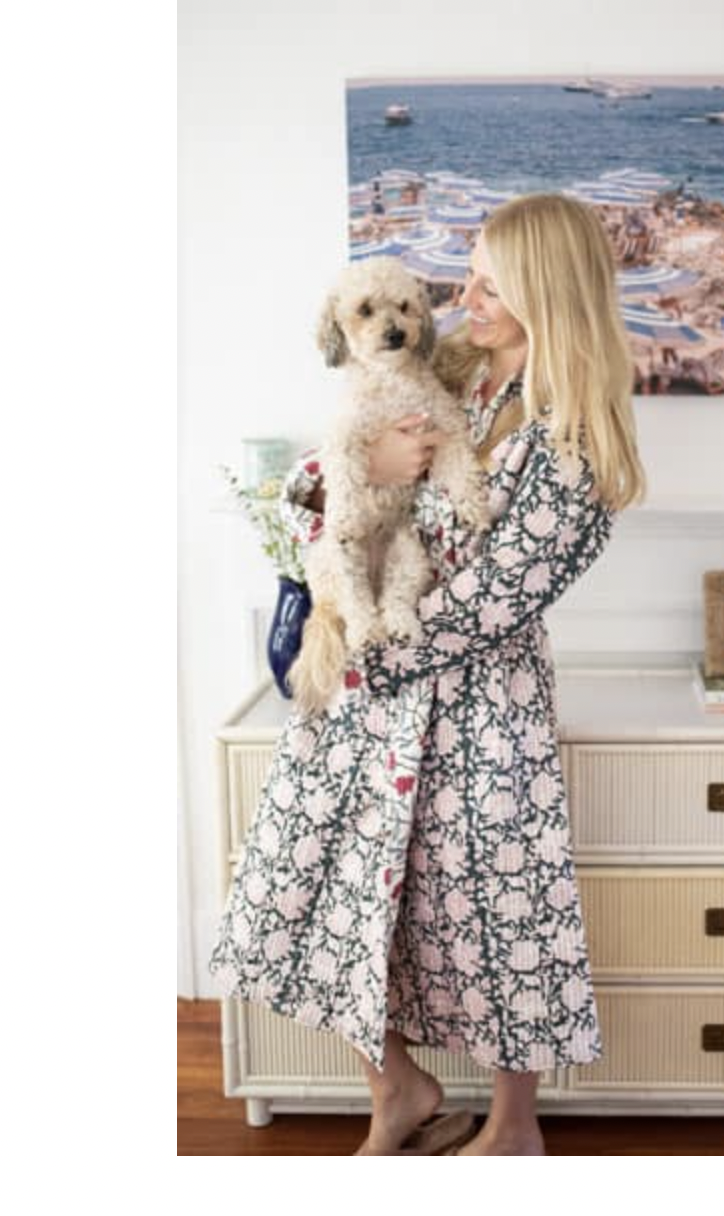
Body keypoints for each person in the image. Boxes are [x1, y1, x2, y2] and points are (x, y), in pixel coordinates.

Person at [208, 193, 646, 1156]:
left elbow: (495, 600)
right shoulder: (448, 371)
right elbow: (306, 494)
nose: (463, 298)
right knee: (330, 887)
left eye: (490, 284)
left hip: (478, 712)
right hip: (369, 692)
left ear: (547, 294)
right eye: (469, 277)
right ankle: (397, 1091)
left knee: (493, 912)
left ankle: (512, 1128)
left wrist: (375, 655)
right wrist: (365, 457)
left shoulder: (574, 441)